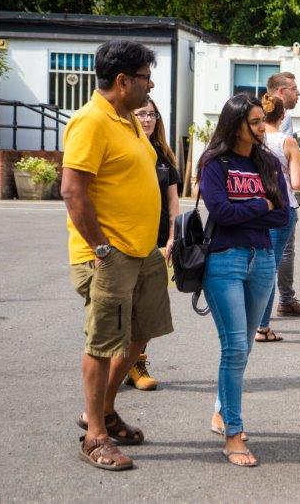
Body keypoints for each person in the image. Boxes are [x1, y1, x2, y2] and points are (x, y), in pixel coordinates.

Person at [61, 40, 173, 471]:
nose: (150, 86)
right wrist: (101, 248)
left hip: (142, 250)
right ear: (123, 80)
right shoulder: (90, 121)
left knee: (141, 333)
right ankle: (95, 436)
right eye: (145, 77)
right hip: (108, 255)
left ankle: (104, 411)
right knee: (104, 342)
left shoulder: (127, 121)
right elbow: (73, 191)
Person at [199, 93, 289, 467]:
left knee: (244, 349)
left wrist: (248, 211)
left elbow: (282, 214)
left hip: (262, 260)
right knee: (235, 347)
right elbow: (218, 210)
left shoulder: (267, 161)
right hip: (224, 261)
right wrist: (261, 206)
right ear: (234, 123)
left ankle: (221, 410)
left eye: (260, 121)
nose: (259, 128)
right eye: (252, 122)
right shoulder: (214, 163)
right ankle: (233, 434)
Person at [124, 98, 181, 390]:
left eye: (151, 114)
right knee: (122, 307)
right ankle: (116, 362)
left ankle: (136, 362)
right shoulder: (125, 147)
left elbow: (173, 204)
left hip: (157, 242)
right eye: (141, 114)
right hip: (125, 242)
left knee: (147, 310)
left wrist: (172, 237)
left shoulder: (164, 154)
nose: (147, 119)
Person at [255, 94, 300, 342]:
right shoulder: (288, 142)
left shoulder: (254, 140)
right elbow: (297, 183)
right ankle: (262, 327)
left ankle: (253, 321)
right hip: (284, 208)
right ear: (283, 116)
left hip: (255, 208)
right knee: (271, 267)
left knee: (255, 265)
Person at [264, 72, 300, 317]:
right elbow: (295, 179)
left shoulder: (257, 120)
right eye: (293, 88)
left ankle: (276, 303)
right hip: (281, 201)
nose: (298, 92)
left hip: (259, 200)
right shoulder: (280, 125)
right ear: (280, 92)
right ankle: (283, 300)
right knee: (279, 253)